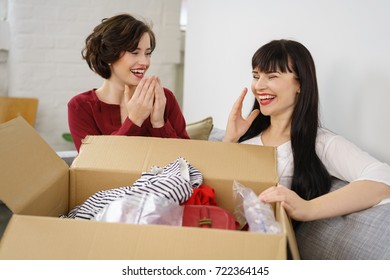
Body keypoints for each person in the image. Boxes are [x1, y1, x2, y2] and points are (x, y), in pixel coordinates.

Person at [223, 39, 390, 227]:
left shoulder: (319, 143)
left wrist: (307, 209)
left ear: (300, 84)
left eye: (272, 76)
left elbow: (383, 177)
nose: (259, 86)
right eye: (256, 76)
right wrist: (230, 140)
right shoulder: (244, 138)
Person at [68, 13, 189, 152]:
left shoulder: (163, 98)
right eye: (134, 52)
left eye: (148, 53)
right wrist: (134, 120)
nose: (145, 62)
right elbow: (92, 162)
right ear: (108, 55)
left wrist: (158, 124)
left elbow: (186, 160)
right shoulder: (81, 106)